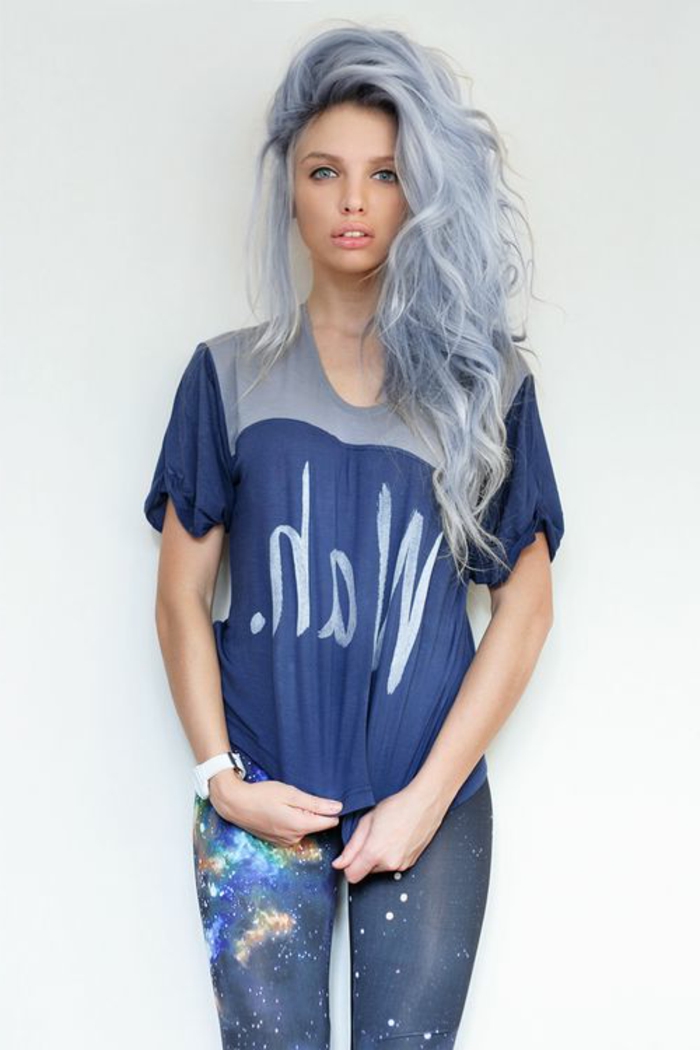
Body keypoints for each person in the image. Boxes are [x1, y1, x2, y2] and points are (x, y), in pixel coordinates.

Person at [143, 23, 565, 1050]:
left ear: (419, 195)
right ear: (289, 189)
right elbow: (179, 596)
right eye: (324, 171)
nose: (352, 201)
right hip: (259, 799)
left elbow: (524, 608)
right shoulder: (227, 375)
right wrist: (221, 781)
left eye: (384, 174)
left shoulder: (483, 388)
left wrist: (423, 801)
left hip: (430, 799)